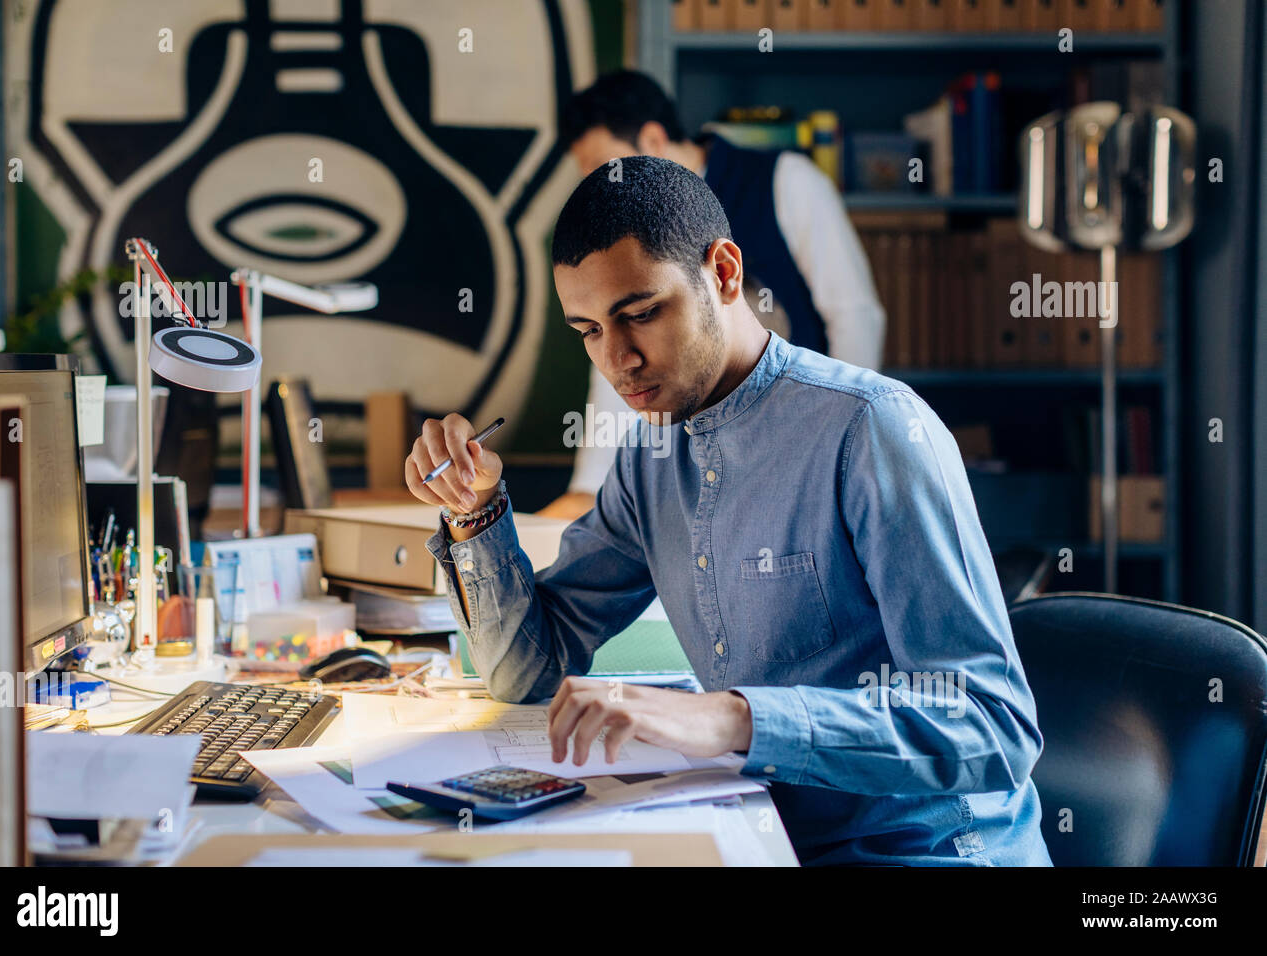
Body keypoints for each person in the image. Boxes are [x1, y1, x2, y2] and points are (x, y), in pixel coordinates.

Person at [404, 156, 1052, 866]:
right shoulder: (650, 459)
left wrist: (731, 718)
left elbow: (993, 728)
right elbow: (527, 673)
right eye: (587, 330)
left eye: (641, 313)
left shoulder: (873, 429)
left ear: (725, 272)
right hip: (765, 837)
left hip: (929, 852)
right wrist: (477, 514)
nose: (617, 359)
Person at [540, 70, 885, 520]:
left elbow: (855, 314)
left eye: (609, 167)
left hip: (802, 437)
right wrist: (589, 487)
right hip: (702, 466)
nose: (601, 187)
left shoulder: (786, 181)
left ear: (652, 139)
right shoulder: (622, 247)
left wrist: (840, 440)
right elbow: (621, 357)